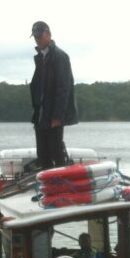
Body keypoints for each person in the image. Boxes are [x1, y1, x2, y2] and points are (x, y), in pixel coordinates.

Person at [30, 20, 78, 169]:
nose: (38, 39)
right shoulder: (40, 57)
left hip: (53, 116)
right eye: (35, 36)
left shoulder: (60, 56)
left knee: (56, 152)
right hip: (41, 114)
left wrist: (57, 116)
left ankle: (61, 186)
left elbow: (63, 88)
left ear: (48, 34)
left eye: (40, 35)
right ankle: (49, 186)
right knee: (43, 154)